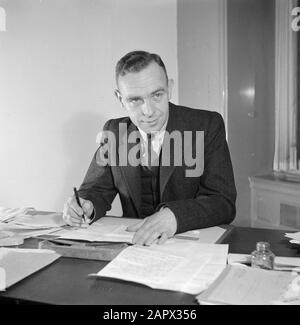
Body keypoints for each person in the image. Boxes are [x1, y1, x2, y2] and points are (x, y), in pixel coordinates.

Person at [62, 50, 236, 246]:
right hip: (133, 246)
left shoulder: (207, 125)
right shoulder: (114, 132)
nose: (149, 111)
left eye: (157, 95)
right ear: (120, 98)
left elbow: (223, 202)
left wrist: (174, 217)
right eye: (135, 100)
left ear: (169, 88)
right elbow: (95, 190)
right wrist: (85, 205)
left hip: (191, 246)